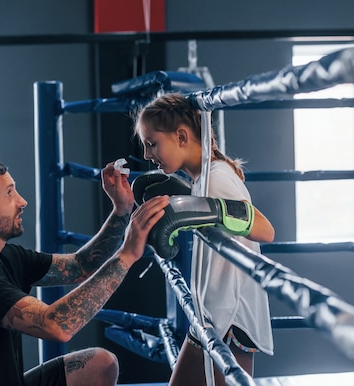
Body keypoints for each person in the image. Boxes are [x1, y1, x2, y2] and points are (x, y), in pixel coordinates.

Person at [0, 156, 169, 386]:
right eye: (9, 193)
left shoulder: (6, 256)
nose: (22, 201)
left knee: (100, 364)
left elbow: (81, 265)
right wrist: (126, 255)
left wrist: (121, 211)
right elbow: (57, 325)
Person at [134, 93, 276, 385]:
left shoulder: (217, 178)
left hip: (231, 317)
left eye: (152, 143)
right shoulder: (203, 179)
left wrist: (205, 207)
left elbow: (265, 229)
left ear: (182, 136)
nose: (147, 155)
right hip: (213, 313)